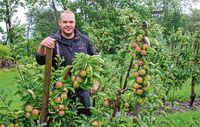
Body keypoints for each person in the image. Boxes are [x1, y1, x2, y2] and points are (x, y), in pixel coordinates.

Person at [36, 10, 98, 116]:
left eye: (71, 22)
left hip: (82, 89)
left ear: (75, 23)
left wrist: (95, 82)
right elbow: (40, 61)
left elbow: (94, 62)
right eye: (65, 22)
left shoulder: (84, 40)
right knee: (62, 118)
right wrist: (42, 45)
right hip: (61, 90)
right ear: (59, 23)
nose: (68, 25)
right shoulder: (52, 41)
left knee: (84, 118)